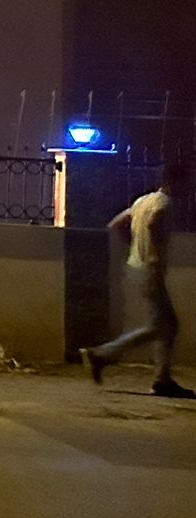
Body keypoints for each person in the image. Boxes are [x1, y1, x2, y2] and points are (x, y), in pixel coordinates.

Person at [81, 161, 192, 399]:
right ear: (176, 182)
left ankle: (161, 378)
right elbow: (154, 223)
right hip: (150, 269)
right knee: (162, 325)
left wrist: (134, 246)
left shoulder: (142, 201)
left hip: (137, 267)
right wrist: (153, 252)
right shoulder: (163, 203)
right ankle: (103, 355)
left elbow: (117, 223)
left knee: (165, 325)